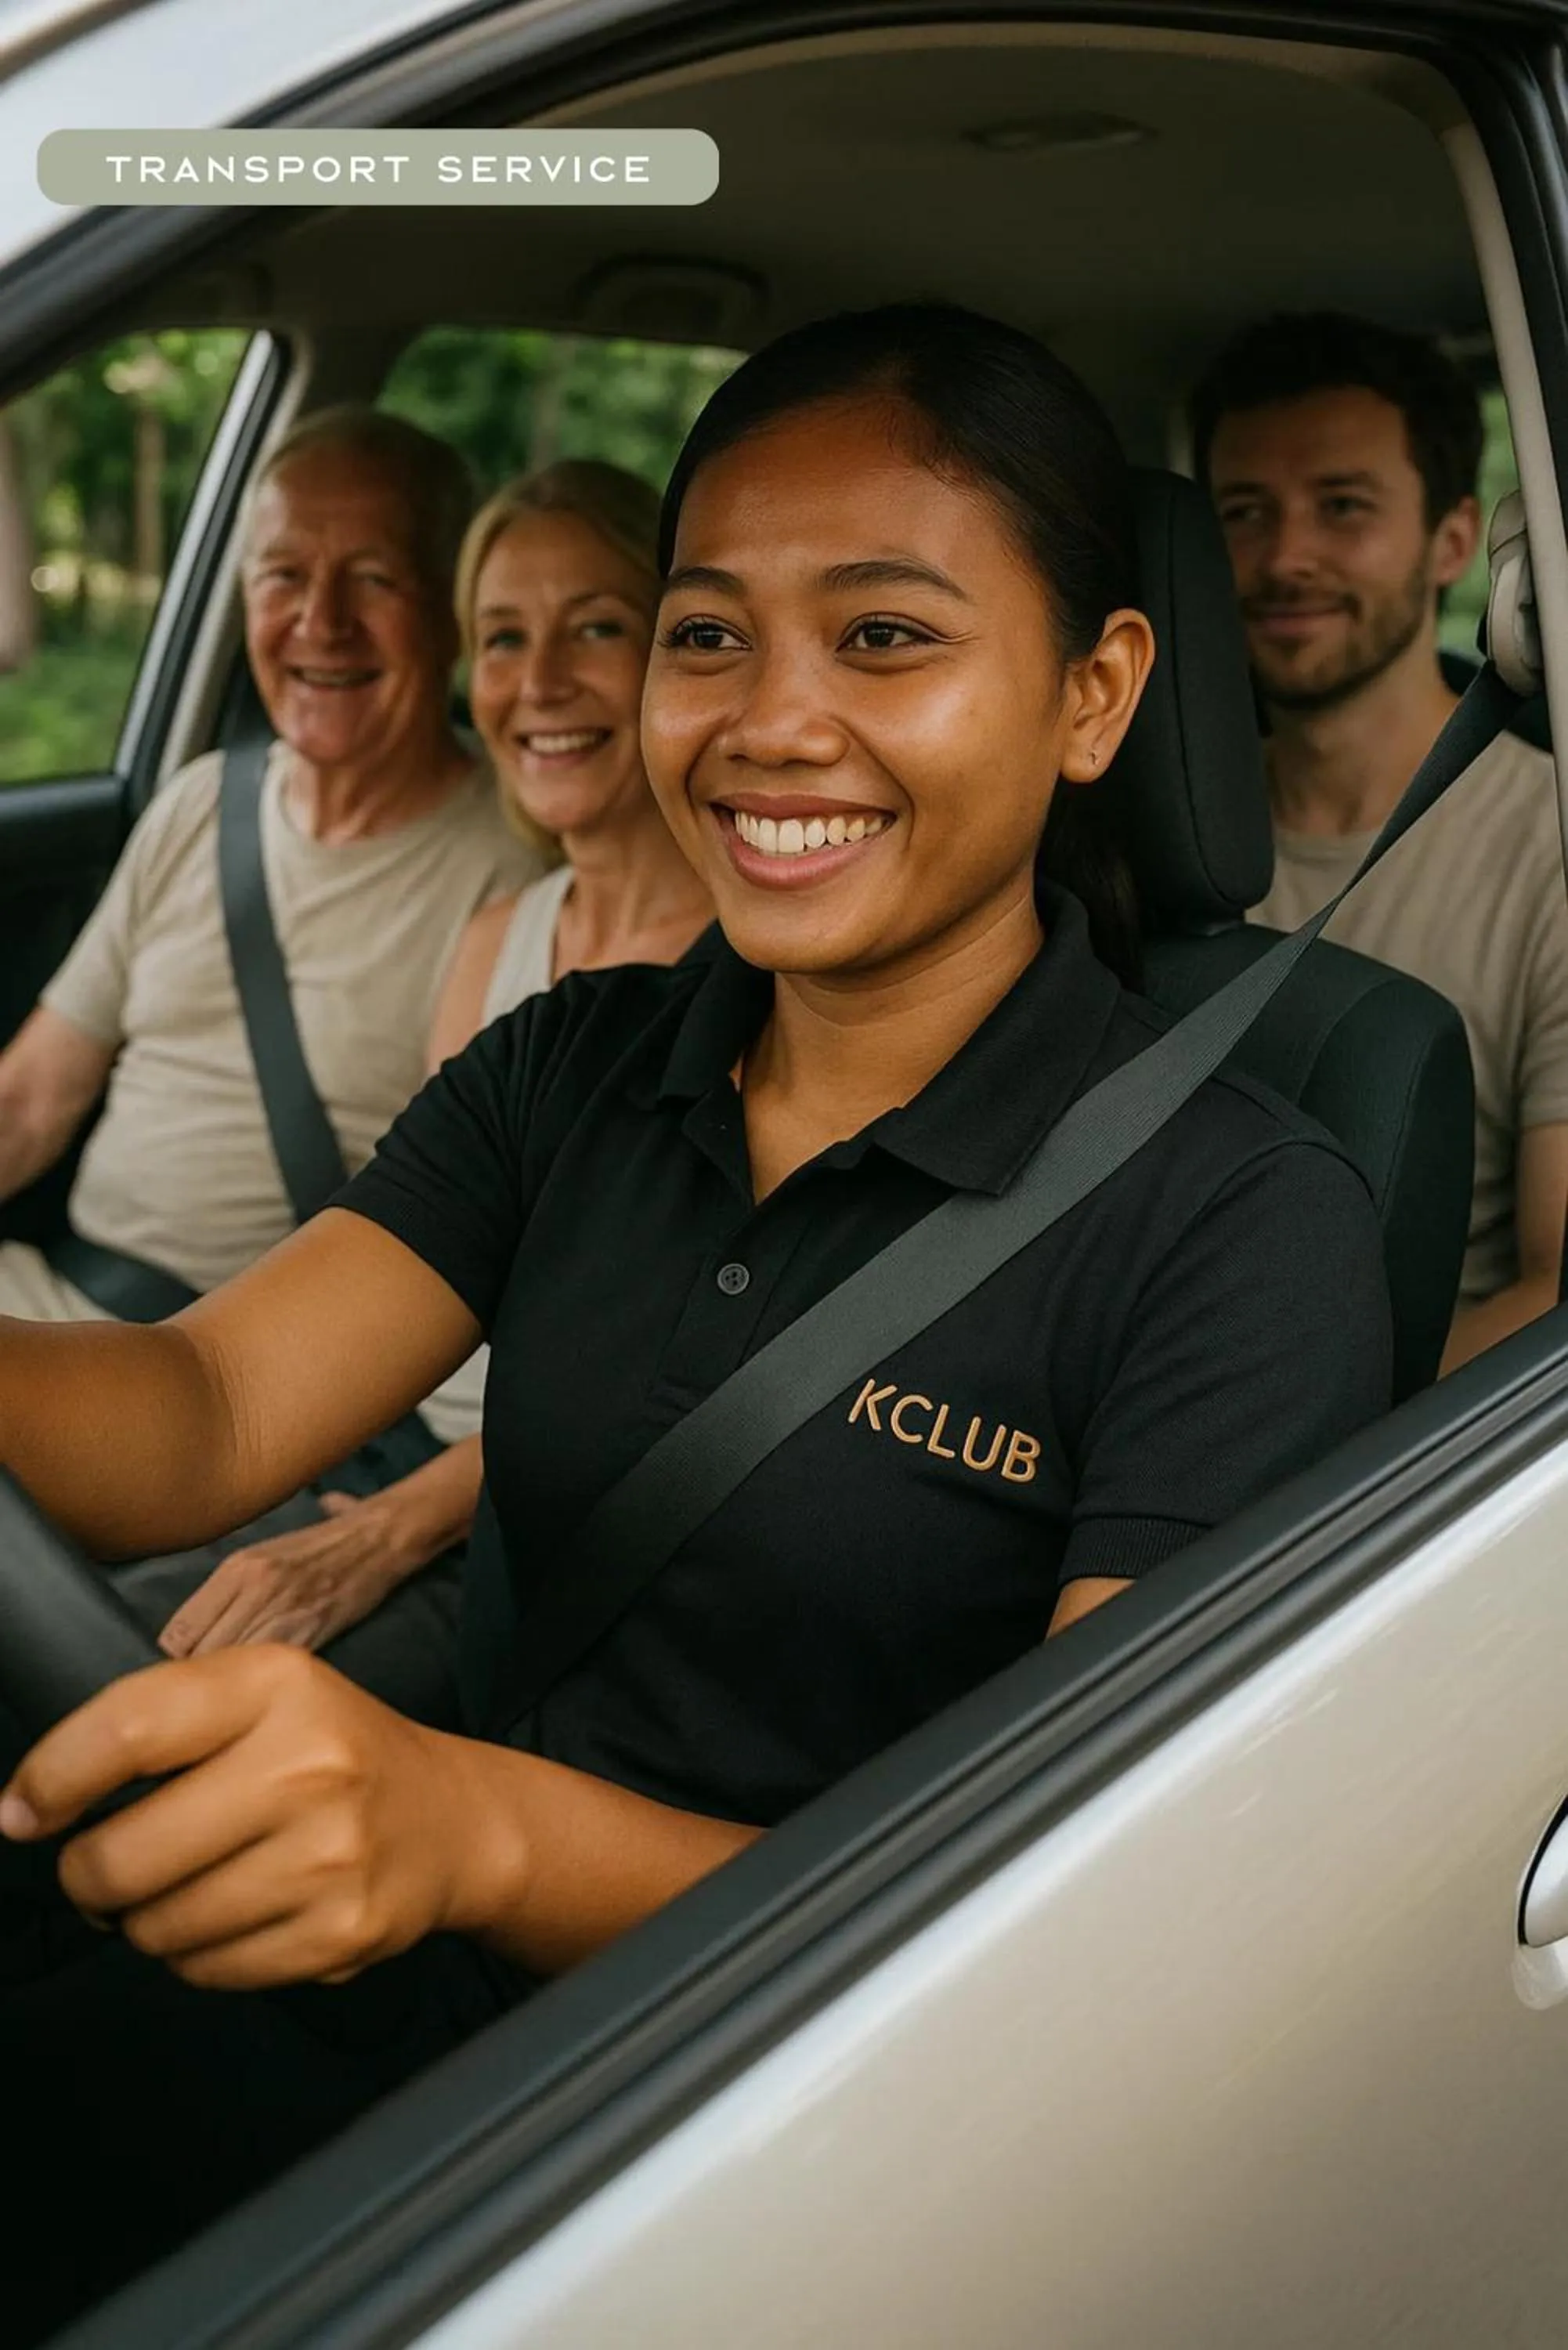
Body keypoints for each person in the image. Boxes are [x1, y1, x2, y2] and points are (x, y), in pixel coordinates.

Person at [0, 302, 1392, 2342]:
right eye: (711, 632)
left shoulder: (1244, 1225)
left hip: (793, 2130)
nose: (765, 723)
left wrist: (475, 1828)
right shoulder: (579, 1066)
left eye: (888, 638)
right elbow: (203, 1410)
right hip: (403, 1991)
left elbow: (1066, 1925)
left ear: (1095, 696)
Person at [0, 405, 544, 1717]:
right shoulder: (199, 804)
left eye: (375, 579)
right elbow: (29, 1097)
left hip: (227, 1403)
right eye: (284, 576)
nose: (320, 624)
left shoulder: (521, 873)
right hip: (41, 1314)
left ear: (451, 610)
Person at [152, 458, 714, 1668]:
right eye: (503, 639)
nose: (540, 684)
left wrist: (391, 1532)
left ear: (688, 655)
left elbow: (666, 1397)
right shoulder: (499, 939)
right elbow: (400, 1278)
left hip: (544, 1527)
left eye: (599, 629)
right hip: (387, 1450)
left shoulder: (752, 969)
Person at [1190, 311, 1568, 1371]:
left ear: (1453, 542)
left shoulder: (1551, 845)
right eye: (1242, 512)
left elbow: (1556, 1295)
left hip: (1394, 1494)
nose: (1283, 558)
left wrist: (1276, 1432)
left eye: (1342, 507)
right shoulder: (1149, 839)